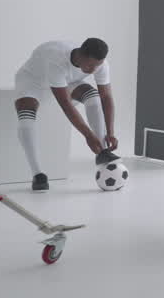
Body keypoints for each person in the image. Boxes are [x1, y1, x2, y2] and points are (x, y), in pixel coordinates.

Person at [13, 38, 118, 192]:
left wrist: (110, 132)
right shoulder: (56, 61)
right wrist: (88, 135)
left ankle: (103, 152)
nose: (93, 70)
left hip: (67, 81)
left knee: (93, 97)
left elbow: (106, 97)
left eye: (97, 65)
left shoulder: (99, 65)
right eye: (90, 65)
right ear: (80, 55)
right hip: (33, 81)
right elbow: (66, 106)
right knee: (26, 119)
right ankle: (38, 175)